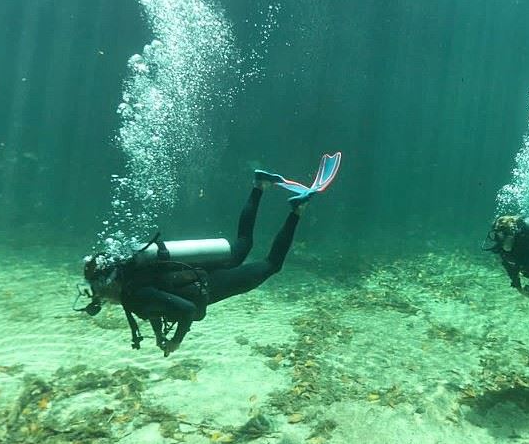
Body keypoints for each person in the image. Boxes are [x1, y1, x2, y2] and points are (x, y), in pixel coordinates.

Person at [80, 152, 341, 356]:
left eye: (100, 295)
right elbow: (156, 307)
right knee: (242, 245)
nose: (104, 301)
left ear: (107, 285)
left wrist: (176, 342)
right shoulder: (134, 277)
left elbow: (186, 309)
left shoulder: (134, 293)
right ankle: (259, 185)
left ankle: (297, 210)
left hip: (209, 285)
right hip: (199, 272)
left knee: (271, 265)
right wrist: (160, 336)